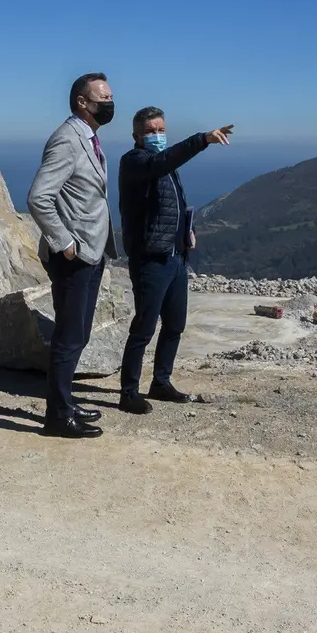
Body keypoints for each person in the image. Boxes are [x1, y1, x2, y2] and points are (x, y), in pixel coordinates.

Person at [117, 108, 233, 413]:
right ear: (136, 136)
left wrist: (186, 232)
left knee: (175, 325)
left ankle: (160, 382)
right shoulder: (135, 161)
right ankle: (128, 392)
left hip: (175, 258)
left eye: (161, 129)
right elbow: (160, 164)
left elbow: (170, 206)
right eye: (150, 131)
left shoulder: (164, 164)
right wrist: (202, 140)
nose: (157, 135)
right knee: (144, 328)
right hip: (150, 259)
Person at [26, 72, 119, 438]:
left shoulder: (89, 137)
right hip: (73, 256)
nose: (110, 103)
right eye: (103, 97)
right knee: (68, 336)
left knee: (78, 333)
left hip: (91, 253)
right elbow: (39, 197)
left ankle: (65, 401)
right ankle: (57, 416)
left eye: (110, 96)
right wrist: (64, 242)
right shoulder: (67, 139)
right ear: (82, 102)